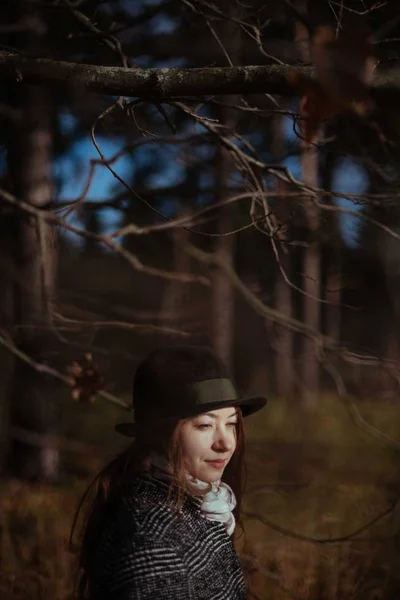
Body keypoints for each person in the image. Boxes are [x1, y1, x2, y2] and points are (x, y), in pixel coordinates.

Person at [71, 345, 267, 600]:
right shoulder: (154, 540)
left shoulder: (191, 506)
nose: (227, 442)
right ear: (159, 434)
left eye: (230, 424)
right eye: (205, 425)